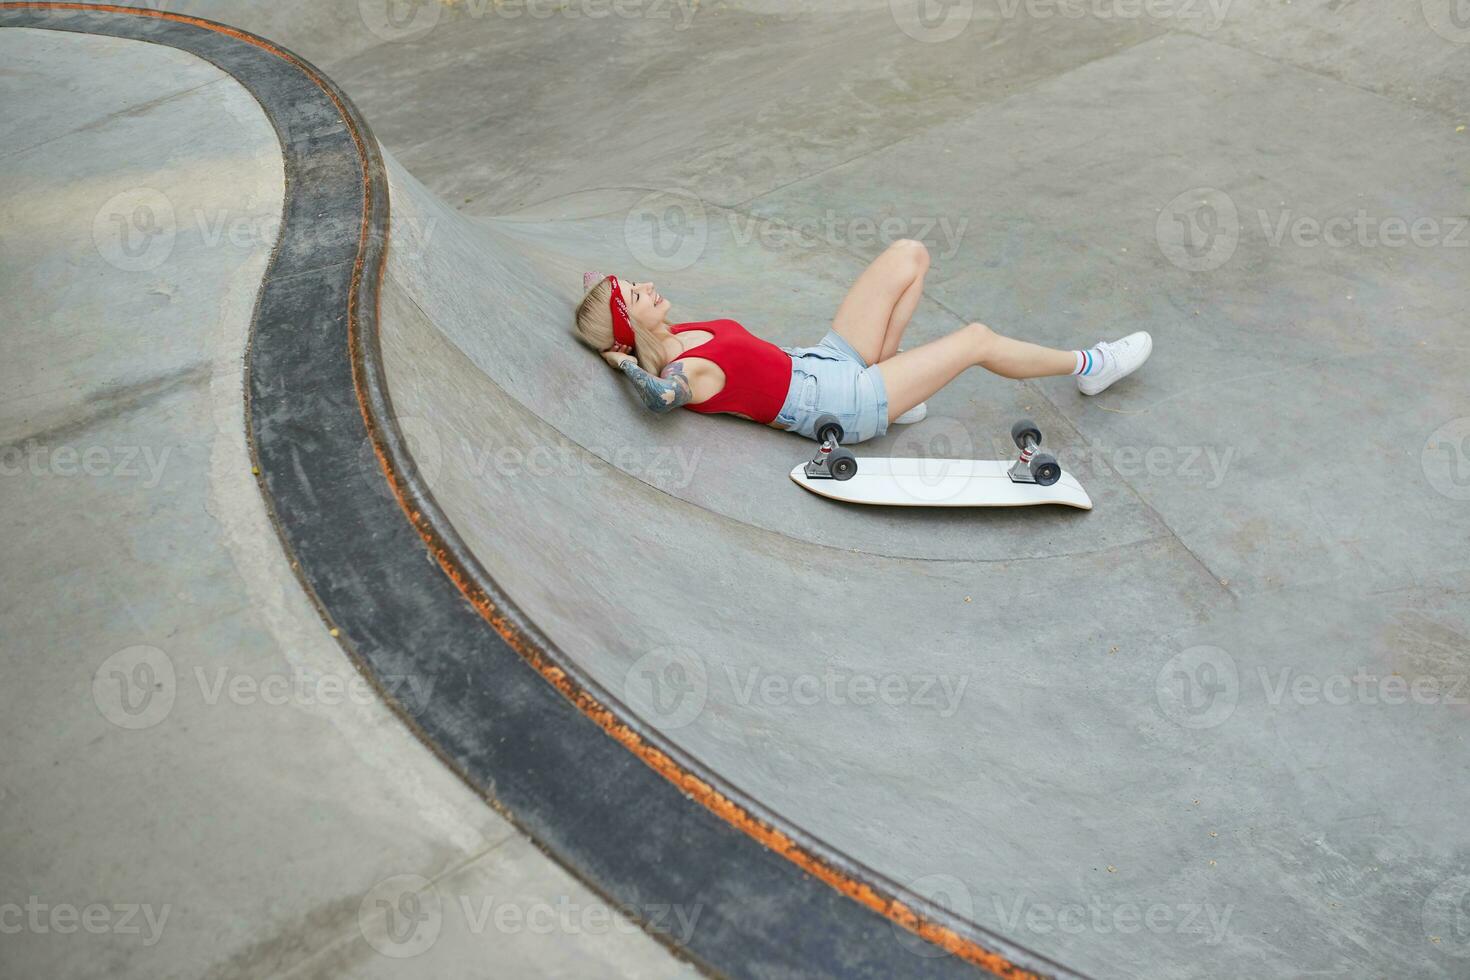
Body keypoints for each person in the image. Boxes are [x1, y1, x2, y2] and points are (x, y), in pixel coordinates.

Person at [574, 240, 1151, 443]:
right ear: (633, 329)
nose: (647, 284)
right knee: (976, 339)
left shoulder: (679, 333)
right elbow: (658, 398)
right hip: (838, 405)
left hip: (820, 362)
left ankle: (895, 379)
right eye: (636, 292)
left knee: (908, 255)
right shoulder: (688, 373)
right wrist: (622, 363)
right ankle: (1089, 365)